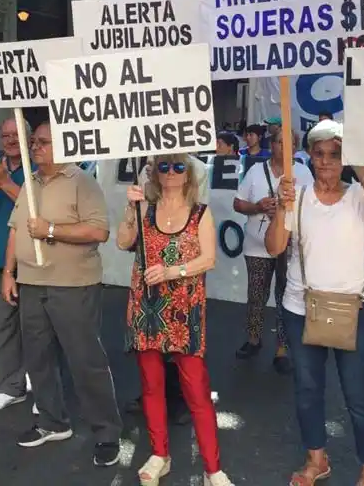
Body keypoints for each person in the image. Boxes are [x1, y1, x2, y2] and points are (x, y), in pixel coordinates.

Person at [266, 120, 364, 486]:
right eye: (319, 153)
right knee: (307, 390)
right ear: (309, 155)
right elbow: (274, 247)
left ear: (346, 158)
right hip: (301, 306)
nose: (326, 161)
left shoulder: (359, 195)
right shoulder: (297, 195)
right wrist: (282, 207)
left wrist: (361, 165)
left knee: (359, 393)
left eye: (336, 154)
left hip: (356, 309)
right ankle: (316, 460)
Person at [4, 121, 122, 466]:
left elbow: (99, 231)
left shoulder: (82, 182)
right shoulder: (31, 181)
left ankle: (106, 432)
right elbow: (16, 229)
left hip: (73, 284)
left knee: (85, 360)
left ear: (63, 146)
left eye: (42, 142)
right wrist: (9, 272)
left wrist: (51, 230)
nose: (34, 147)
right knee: (37, 358)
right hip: (31, 281)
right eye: (33, 142)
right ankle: (52, 422)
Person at [116, 154, 234, 486]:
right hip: (147, 309)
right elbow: (123, 242)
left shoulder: (200, 213)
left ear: (189, 174)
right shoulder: (145, 208)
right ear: (154, 173)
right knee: (151, 387)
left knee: (196, 390)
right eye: (163, 166)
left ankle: (213, 468)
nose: (170, 172)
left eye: (178, 166)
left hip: (185, 311)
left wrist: (172, 271)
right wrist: (130, 209)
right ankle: (159, 454)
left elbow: (208, 259)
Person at [234, 123, 314, 372]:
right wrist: (258, 207)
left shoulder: (304, 173)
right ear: (272, 144)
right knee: (256, 295)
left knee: (286, 297)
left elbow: (311, 208)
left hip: (289, 248)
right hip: (256, 246)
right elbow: (238, 203)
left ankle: (282, 348)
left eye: (291, 143)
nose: (285, 147)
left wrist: (285, 210)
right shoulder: (256, 171)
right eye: (281, 142)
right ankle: (253, 338)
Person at [0, 117, 33, 411]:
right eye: (5, 135)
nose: (11, 140)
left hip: (34, 262)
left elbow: (34, 208)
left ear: (29, 138)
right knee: (3, 329)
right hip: (0, 261)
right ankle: (11, 387)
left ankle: (46, 391)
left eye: (16, 134)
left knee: (39, 331)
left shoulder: (38, 167)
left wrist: (5, 182)